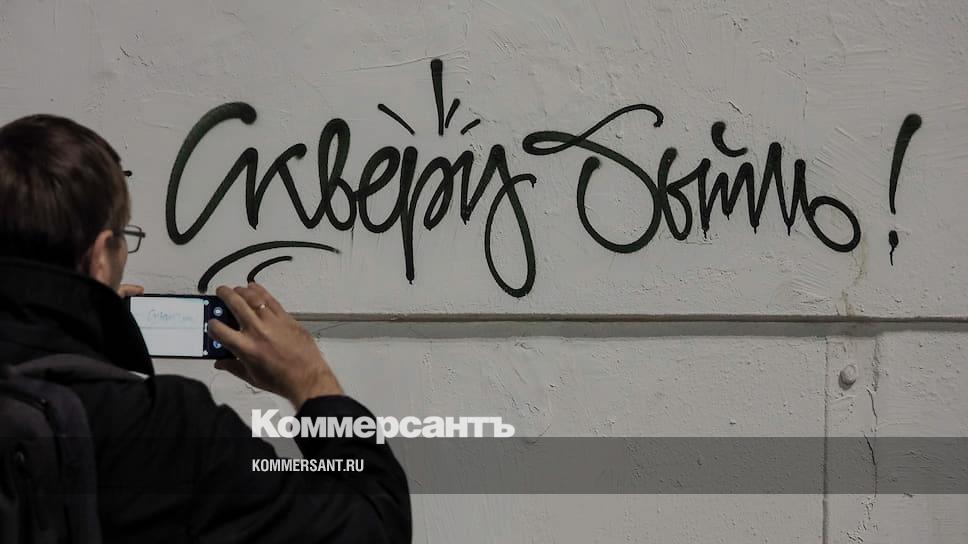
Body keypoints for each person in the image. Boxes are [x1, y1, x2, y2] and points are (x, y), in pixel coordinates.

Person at [0, 114, 411, 542]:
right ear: (102, 256)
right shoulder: (165, 436)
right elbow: (374, 526)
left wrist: (82, 339)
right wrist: (312, 383)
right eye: (124, 236)